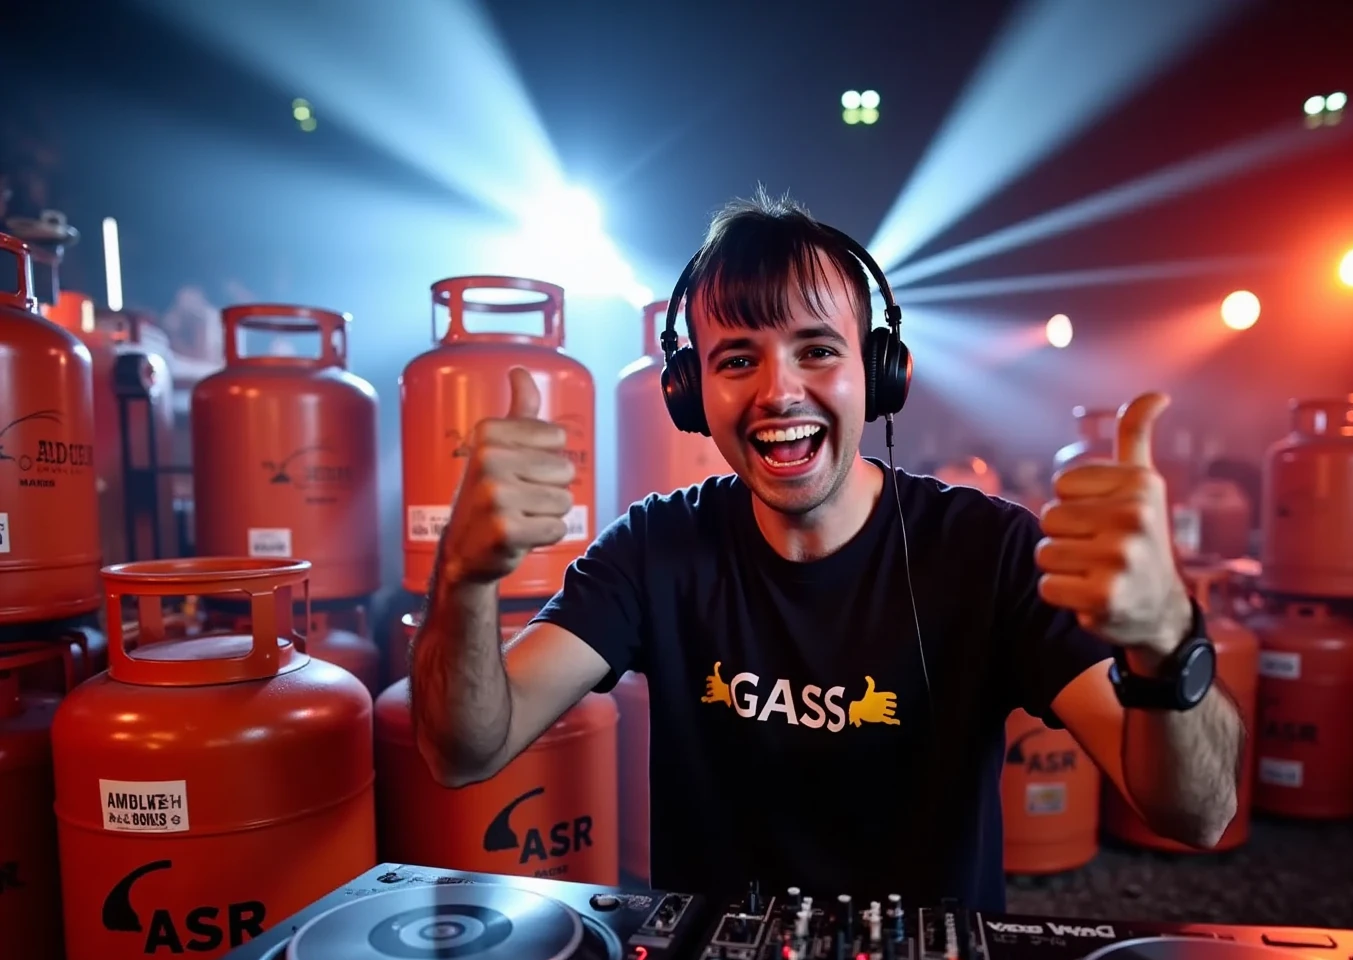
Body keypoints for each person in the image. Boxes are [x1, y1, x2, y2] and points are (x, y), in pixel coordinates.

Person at [410, 191, 1243, 912]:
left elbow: (1194, 814)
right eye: (738, 359)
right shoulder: (655, 547)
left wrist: (1167, 640)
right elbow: (465, 750)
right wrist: (465, 577)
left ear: (880, 372)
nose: (779, 392)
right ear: (690, 393)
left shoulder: (986, 550)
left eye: (817, 349)